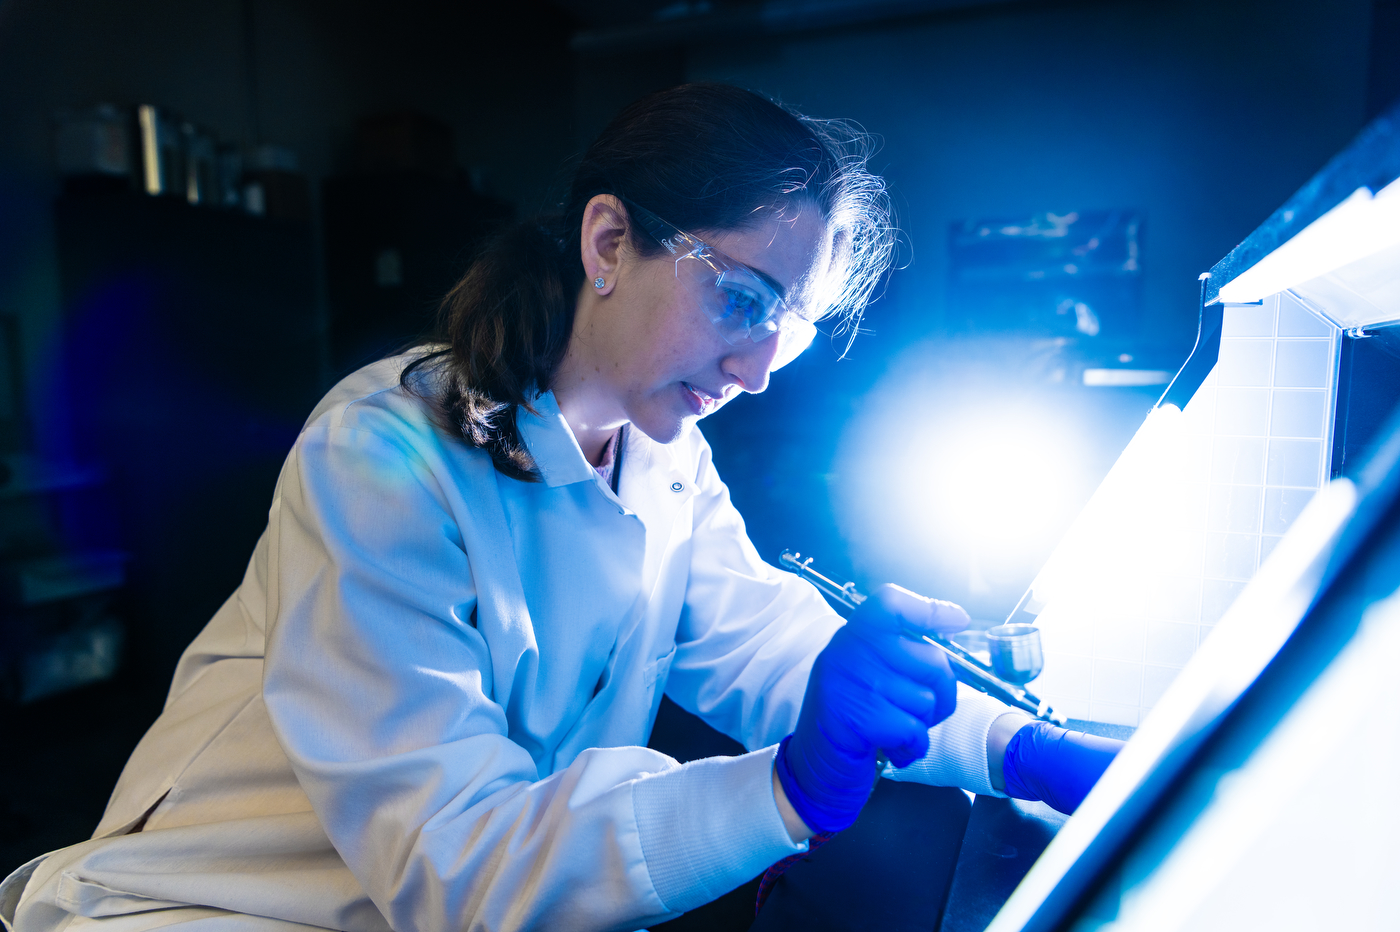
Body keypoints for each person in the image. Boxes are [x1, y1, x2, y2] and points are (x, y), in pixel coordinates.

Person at [0, 84, 1121, 932]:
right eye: (741, 296)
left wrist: (1016, 747)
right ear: (605, 243)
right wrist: (779, 788)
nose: (760, 365)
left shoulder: (659, 451)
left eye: (791, 324)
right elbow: (454, 851)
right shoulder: (386, 455)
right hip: (216, 908)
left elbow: (766, 642)